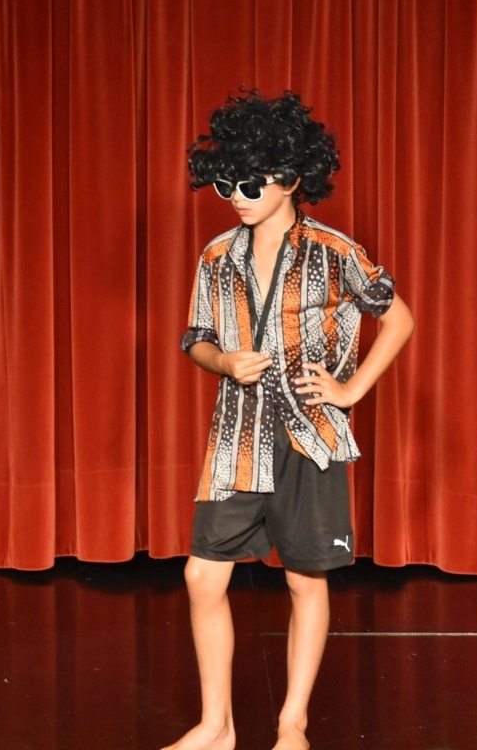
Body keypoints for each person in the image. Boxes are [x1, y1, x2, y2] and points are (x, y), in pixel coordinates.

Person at [166, 91, 414, 750]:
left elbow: (398, 318)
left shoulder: (335, 251)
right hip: (237, 437)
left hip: (311, 438)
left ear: (291, 179)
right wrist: (223, 360)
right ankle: (216, 727)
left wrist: (350, 389)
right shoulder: (216, 256)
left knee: (305, 578)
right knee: (201, 575)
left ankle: (292, 725)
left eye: (250, 184)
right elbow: (194, 338)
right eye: (226, 185)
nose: (237, 197)